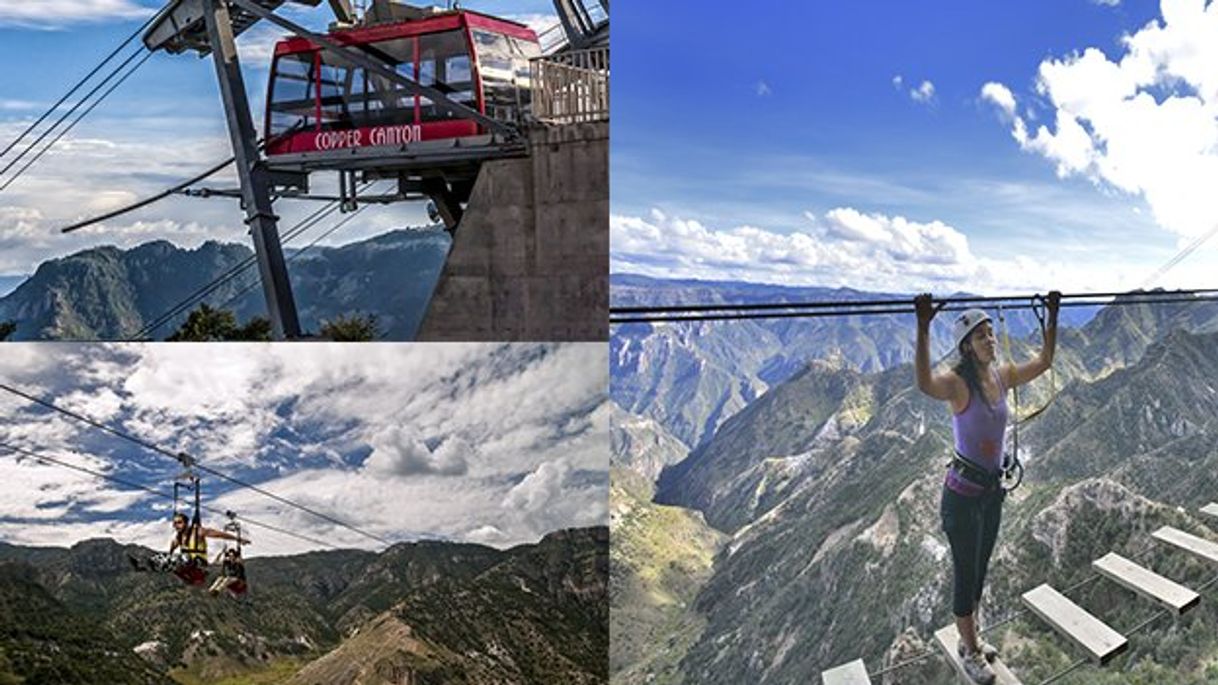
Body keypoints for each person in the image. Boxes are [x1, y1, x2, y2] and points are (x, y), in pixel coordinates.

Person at [914, 292, 1059, 685]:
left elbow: (1045, 363)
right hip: (961, 496)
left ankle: (970, 639)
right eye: (981, 337)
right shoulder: (958, 385)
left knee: (979, 571)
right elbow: (925, 382)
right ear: (966, 346)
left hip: (991, 492)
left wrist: (1052, 315)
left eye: (991, 334)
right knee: (965, 573)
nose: (990, 341)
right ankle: (972, 650)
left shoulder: (1003, 375)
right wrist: (923, 326)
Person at [129, 512, 251, 586]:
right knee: (165, 559)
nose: (176, 525)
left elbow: (218, 534)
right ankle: (143, 566)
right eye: (175, 523)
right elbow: (173, 546)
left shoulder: (198, 531)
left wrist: (237, 539)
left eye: (179, 522)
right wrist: (170, 553)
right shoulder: (179, 536)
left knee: (181, 558)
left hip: (198, 563)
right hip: (188, 565)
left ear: (186, 523)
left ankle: (150, 564)